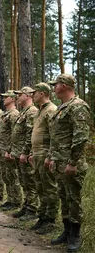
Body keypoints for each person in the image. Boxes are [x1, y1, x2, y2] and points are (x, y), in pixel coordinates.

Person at [46, 74, 91, 252]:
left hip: (72, 164)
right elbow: (55, 137)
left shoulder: (78, 106)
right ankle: (66, 231)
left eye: (55, 85)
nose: (53, 88)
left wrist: (72, 162)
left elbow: (80, 138)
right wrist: (51, 157)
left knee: (74, 199)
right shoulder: (62, 108)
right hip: (59, 162)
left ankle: (75, 235)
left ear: (64, 86)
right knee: (64, 197)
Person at [28, 83, 58, 235]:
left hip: (46, 154)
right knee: (40, 186)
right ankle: (43, 216)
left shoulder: (51, 110)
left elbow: (54, 136)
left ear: (42, 93)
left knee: (49, 188)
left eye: (35, 93)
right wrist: (32, 153)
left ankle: (50, 220)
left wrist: (51, 156)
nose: (32, 95)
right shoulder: (40, 111)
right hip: (38, 154)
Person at [10, 86, 39, 221]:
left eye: (20, 94)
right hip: (19, 152)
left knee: (29, 182)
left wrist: (26, 152)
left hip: (25, 154)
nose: (17, 97)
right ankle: (27, 205)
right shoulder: (24, 112)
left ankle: (32, 209)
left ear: (28, 96)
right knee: (23, 181)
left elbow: (30, 134)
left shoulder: (32, 112)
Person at [0, 90, 23, 211]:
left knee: (12, 175)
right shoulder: (6, 114)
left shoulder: (14, 114)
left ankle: (16, 201)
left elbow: (14, 134)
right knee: (6, 175)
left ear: (12, 99)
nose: (3, 99)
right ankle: (10, 199)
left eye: (6, 97)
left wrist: (10, 150)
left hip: (8, 150)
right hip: (2, 148)